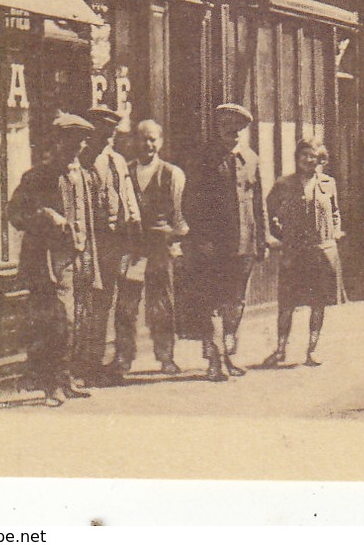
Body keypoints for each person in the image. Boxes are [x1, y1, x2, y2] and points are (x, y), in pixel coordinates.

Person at [7, 114, 96, 406]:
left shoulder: (84, 176)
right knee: (56, 321)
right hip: (48, 263)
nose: (77, 148)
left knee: (75, 320)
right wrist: (44, 216)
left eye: (80, 143)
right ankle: (50, 384)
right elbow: (15, 215)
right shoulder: (38, 177)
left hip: (78, 258)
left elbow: (89, 221)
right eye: (71, 142)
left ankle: (66, 377)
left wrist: (89, 256)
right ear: (57, 142)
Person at [187, 103, 270, 382]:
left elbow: (258, 203)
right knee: (211, 301)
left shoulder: (251, 159)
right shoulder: (204, 159)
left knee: (235, 302)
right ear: (218, 128)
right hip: (214, 245)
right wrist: (200, 239)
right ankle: (214, 360)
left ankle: (228, 355)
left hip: (244, 243)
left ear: (243, 132)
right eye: (226, 129)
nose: (231, 135)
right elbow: (194, 203)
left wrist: (262, 239)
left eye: (237, 131)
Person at [113, 119, 187, 377]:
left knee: (162, 304)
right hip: (133, 248)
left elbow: (179, 215)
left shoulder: (172, 174)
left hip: (159, 248)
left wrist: (176, 241)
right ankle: (123, 357)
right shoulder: (125, 173)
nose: (148, 144)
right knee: (126, 305)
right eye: (143, 138)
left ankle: (166, 357)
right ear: (134, 141)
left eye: (153, 139)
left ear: (161, 142)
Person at [263, 139, 344, 367]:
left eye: (314, 156)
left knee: (318, 303)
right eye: (305, 155)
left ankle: (312, 350)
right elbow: (268, 213)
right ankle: (280, 350)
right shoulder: (284, 184)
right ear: (297, 157)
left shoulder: (329, 183)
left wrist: (334, 233)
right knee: (286, 305)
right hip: (294, 253)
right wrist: (280, 236)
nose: (309, 160)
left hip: (321, 253)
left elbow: (335, 212)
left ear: (321, 159)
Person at [77, 106, 141, 386]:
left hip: (118, 240)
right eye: (103, 134)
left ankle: (109, 361)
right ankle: (87, 364)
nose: (107, 139)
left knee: (113, 302)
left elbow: (127, 195)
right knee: (93, 302)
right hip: (94, 240)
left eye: (111, 134)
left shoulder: (117, 160)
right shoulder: (83, 162)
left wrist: (135, 224)